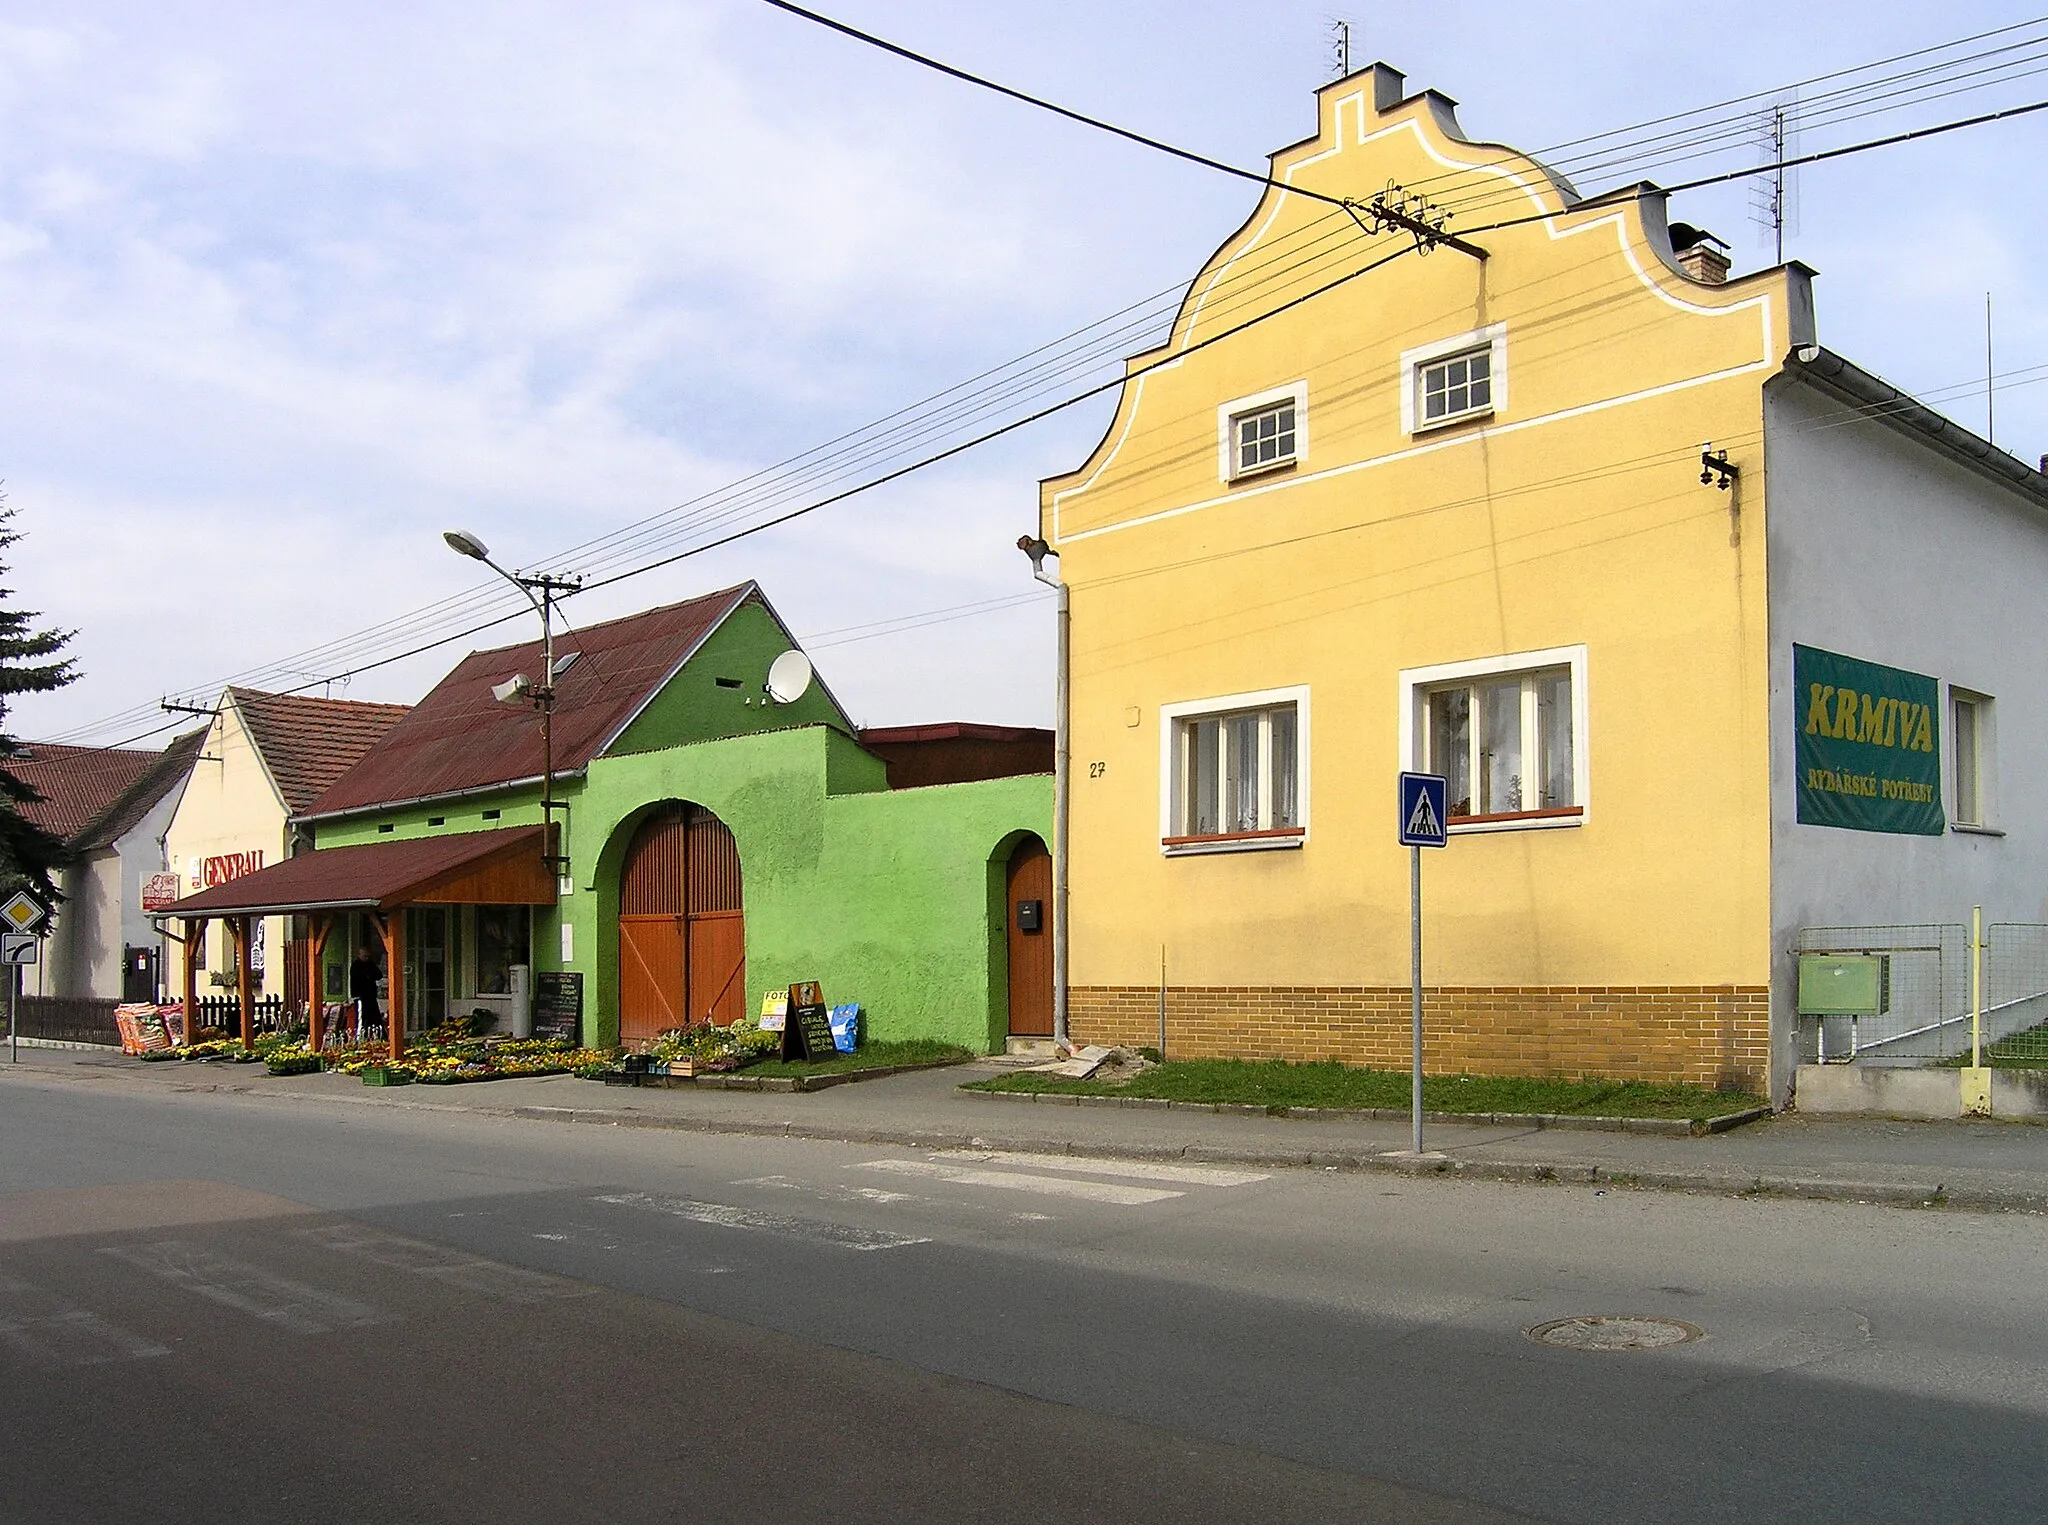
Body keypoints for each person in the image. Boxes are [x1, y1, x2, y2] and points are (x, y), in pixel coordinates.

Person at [349, 943, 383, 1040]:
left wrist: (369, 976)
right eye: (364, 956)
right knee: (361, 1018)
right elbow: (361, 978)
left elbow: (378, 975)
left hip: (371, 996)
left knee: (375, 1017)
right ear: (359, 955)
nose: (366, 958)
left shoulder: (370, 964)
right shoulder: (356, 966)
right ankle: (359, 1039)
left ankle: (379, 1037)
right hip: (360, 996)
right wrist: (369, 976)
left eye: (368, 956)